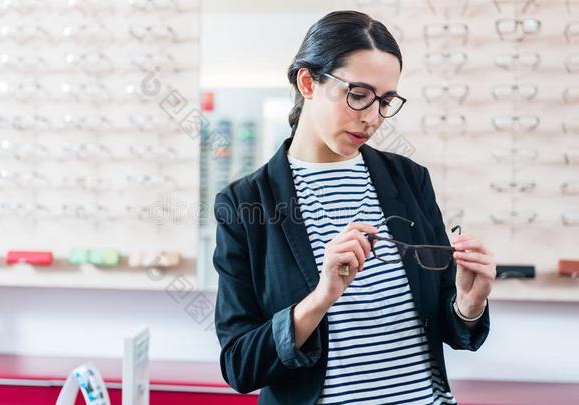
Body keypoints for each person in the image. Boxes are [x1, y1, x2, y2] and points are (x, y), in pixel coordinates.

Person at [212, 10, 496, 405]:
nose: (373, 117)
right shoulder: (245, 204)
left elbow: (453, 330)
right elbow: (241, 366)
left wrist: (468, 303)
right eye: (358, 95)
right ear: (308, 82)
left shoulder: (409, 180)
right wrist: (321, 298)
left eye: (385, 101)